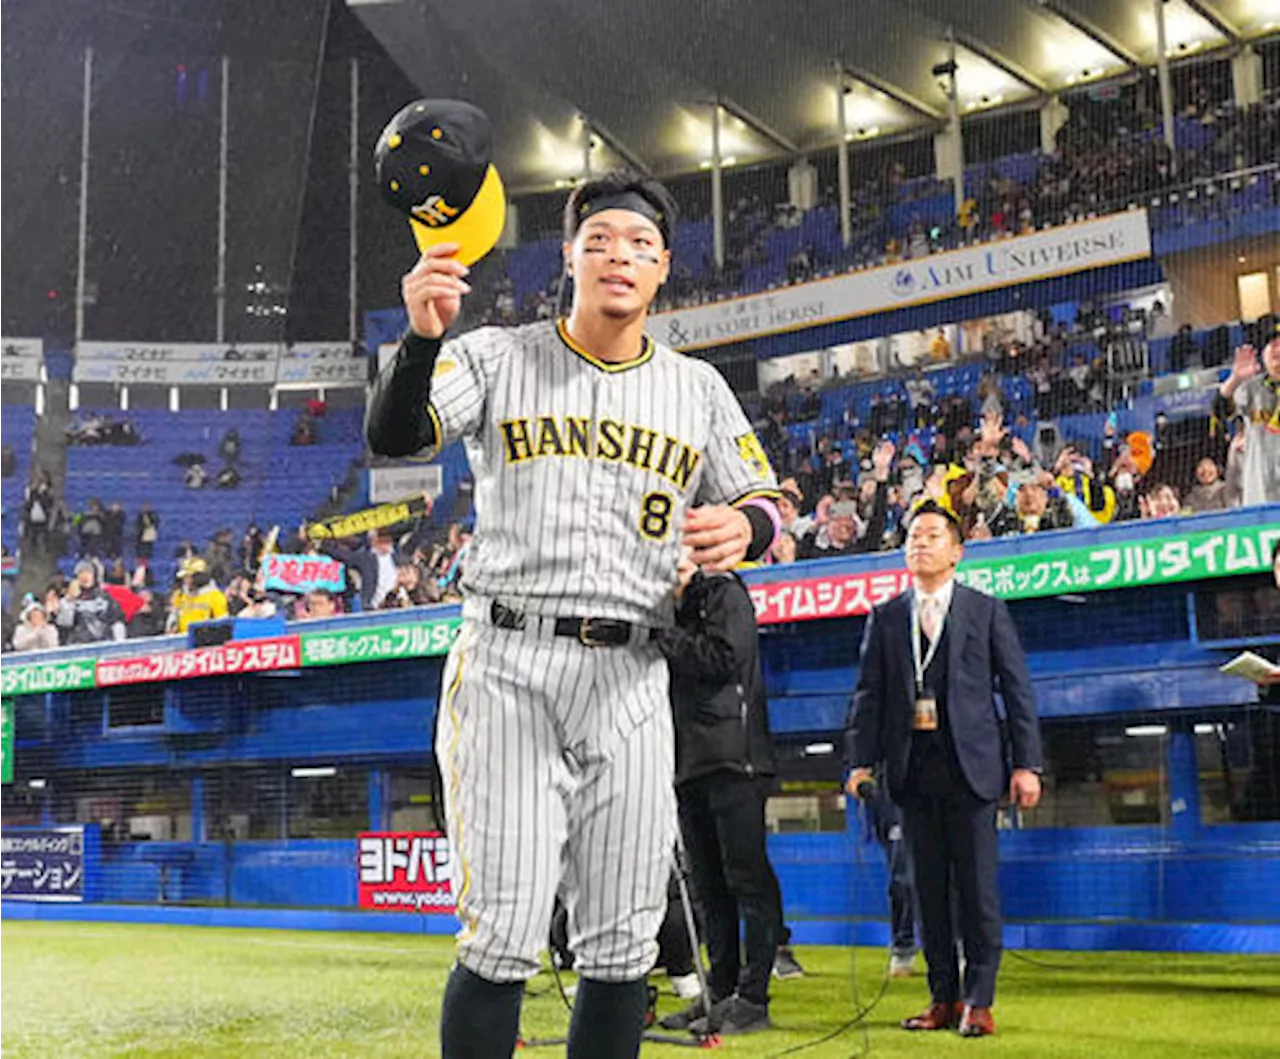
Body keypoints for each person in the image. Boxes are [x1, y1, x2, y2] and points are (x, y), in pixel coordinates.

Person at [365, 168, 780, 1059]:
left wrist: (743, 522)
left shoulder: (697, 388)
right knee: (506, 929)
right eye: (600, 242)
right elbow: (396, 436)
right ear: (570, 258)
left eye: (638, 244)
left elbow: (768, 499)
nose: (618, 257)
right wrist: (420, 339)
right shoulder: (494, 355)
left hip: (633, 674)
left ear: (664, 266)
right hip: (510, 658)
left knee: (625, 941)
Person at [844, 501, 1042, 1038]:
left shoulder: (985, 610)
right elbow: (869, 697)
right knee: (925, 891)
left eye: (932, 535)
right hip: (911, 773)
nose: (920, 543)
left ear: (956, 552)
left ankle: (979, 1000)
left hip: (973, 771)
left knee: (977, 890)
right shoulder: (885, 618)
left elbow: (1017, 692)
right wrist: (859, 762)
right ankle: (942, 999)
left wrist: (1027, 764)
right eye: (913, 536)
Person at [655, 559, 778, 1036]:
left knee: (747, 879)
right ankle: (719, 992)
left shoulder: (725, 593)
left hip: (735, 758)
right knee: (709, 887)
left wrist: (662, 634)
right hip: (689, 761)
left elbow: (722, 658)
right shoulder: (676, 607)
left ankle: (753, 996)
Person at [1220, 339, 1280, 507]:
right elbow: (1220, 410)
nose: (1278, 347)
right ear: (1263, 354)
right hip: (1261, 497)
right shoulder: (1252, 388)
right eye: (1272, 343)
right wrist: (1235, 379)